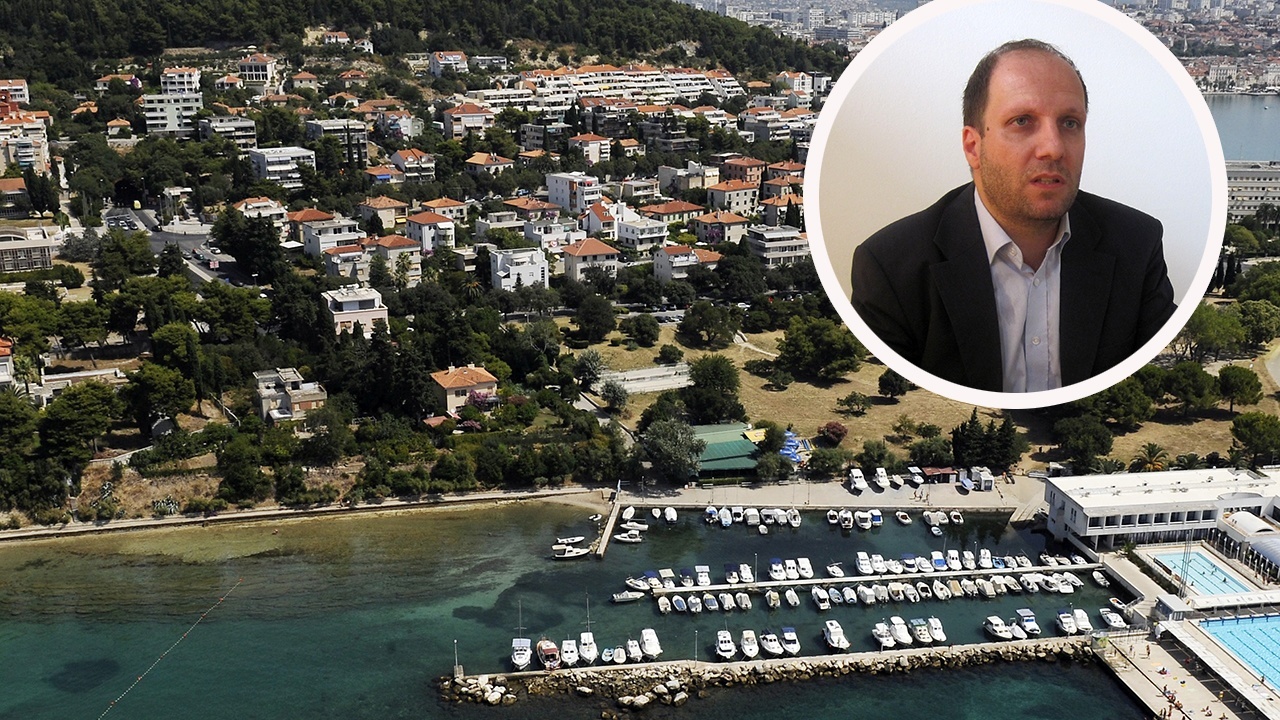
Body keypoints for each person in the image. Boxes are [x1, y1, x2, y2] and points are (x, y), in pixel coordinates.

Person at [850, 39, 1176, 393]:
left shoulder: (1136, 245)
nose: (1053, 148)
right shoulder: (891, 269)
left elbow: (1161, 380)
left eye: (1069, 123)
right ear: (973, 147)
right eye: (1022, 121)